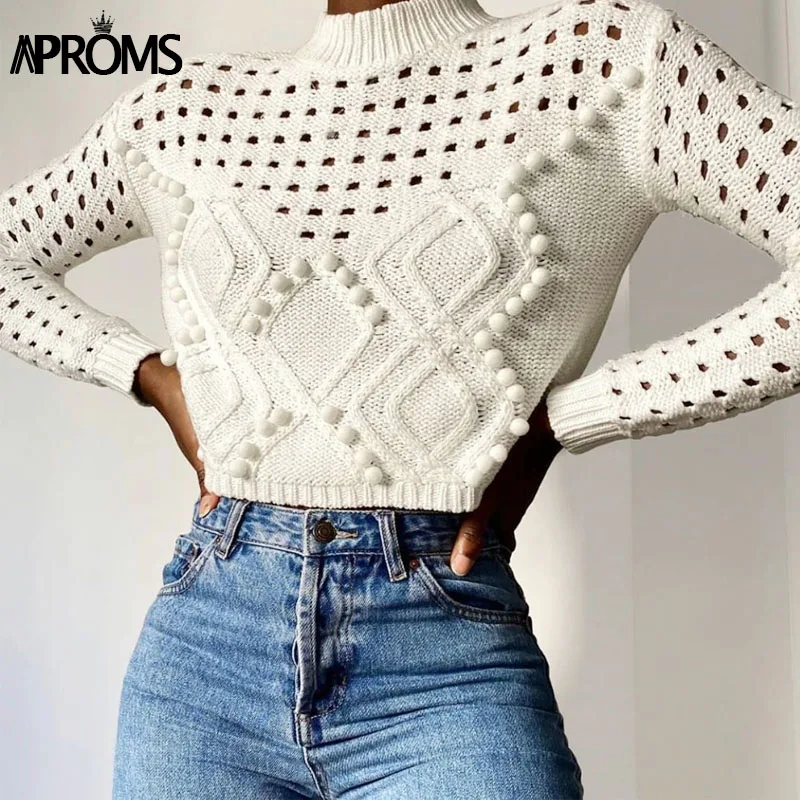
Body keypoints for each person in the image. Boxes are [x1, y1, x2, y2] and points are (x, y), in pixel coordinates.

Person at [1, 0, 798, 796]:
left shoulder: (607, 64)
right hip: (205, 654)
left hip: (446, 663)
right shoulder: (181, 112)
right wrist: (150, 377)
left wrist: (566, 420)